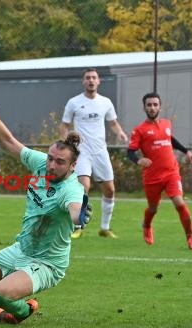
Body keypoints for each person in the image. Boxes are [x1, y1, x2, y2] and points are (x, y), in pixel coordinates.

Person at [0, 80, 92, 324]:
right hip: (22, 248)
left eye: (60, 162)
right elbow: (8, 141)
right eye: (51, 158)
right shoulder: (41, 164)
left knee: (1, 292)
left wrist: (80, 216)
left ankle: (23, 310)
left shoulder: (71, 189)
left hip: (47, 263)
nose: (52, 165)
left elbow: (75, 212)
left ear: (73, 166)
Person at [59, 68, 128, 239]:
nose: (91, 80)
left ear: (98, 82)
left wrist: (120, 133)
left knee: (110, 190)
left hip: (100, 152)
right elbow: (64, 125)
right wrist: (65, 145)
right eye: (88, 78)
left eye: (94, 78)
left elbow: (113, 123)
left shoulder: (105, 102)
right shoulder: (74, 102)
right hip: (82, 152)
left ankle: (105, 228)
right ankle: (78, 226)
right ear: (84, 82)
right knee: (84, 187)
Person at [127, 93, 192, 250]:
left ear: (160, 106)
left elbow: (170, 139)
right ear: (144, 107)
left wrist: (186, 151)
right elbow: (130, 151)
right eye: (149, 105)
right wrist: (139, 160)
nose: (152, 107)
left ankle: (190, 239)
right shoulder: (140, 130)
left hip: (171, 172)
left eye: (155, 104)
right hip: (152, 176)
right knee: (153, 208)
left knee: (180, 203)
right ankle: (147, 225)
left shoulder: (166, 123)